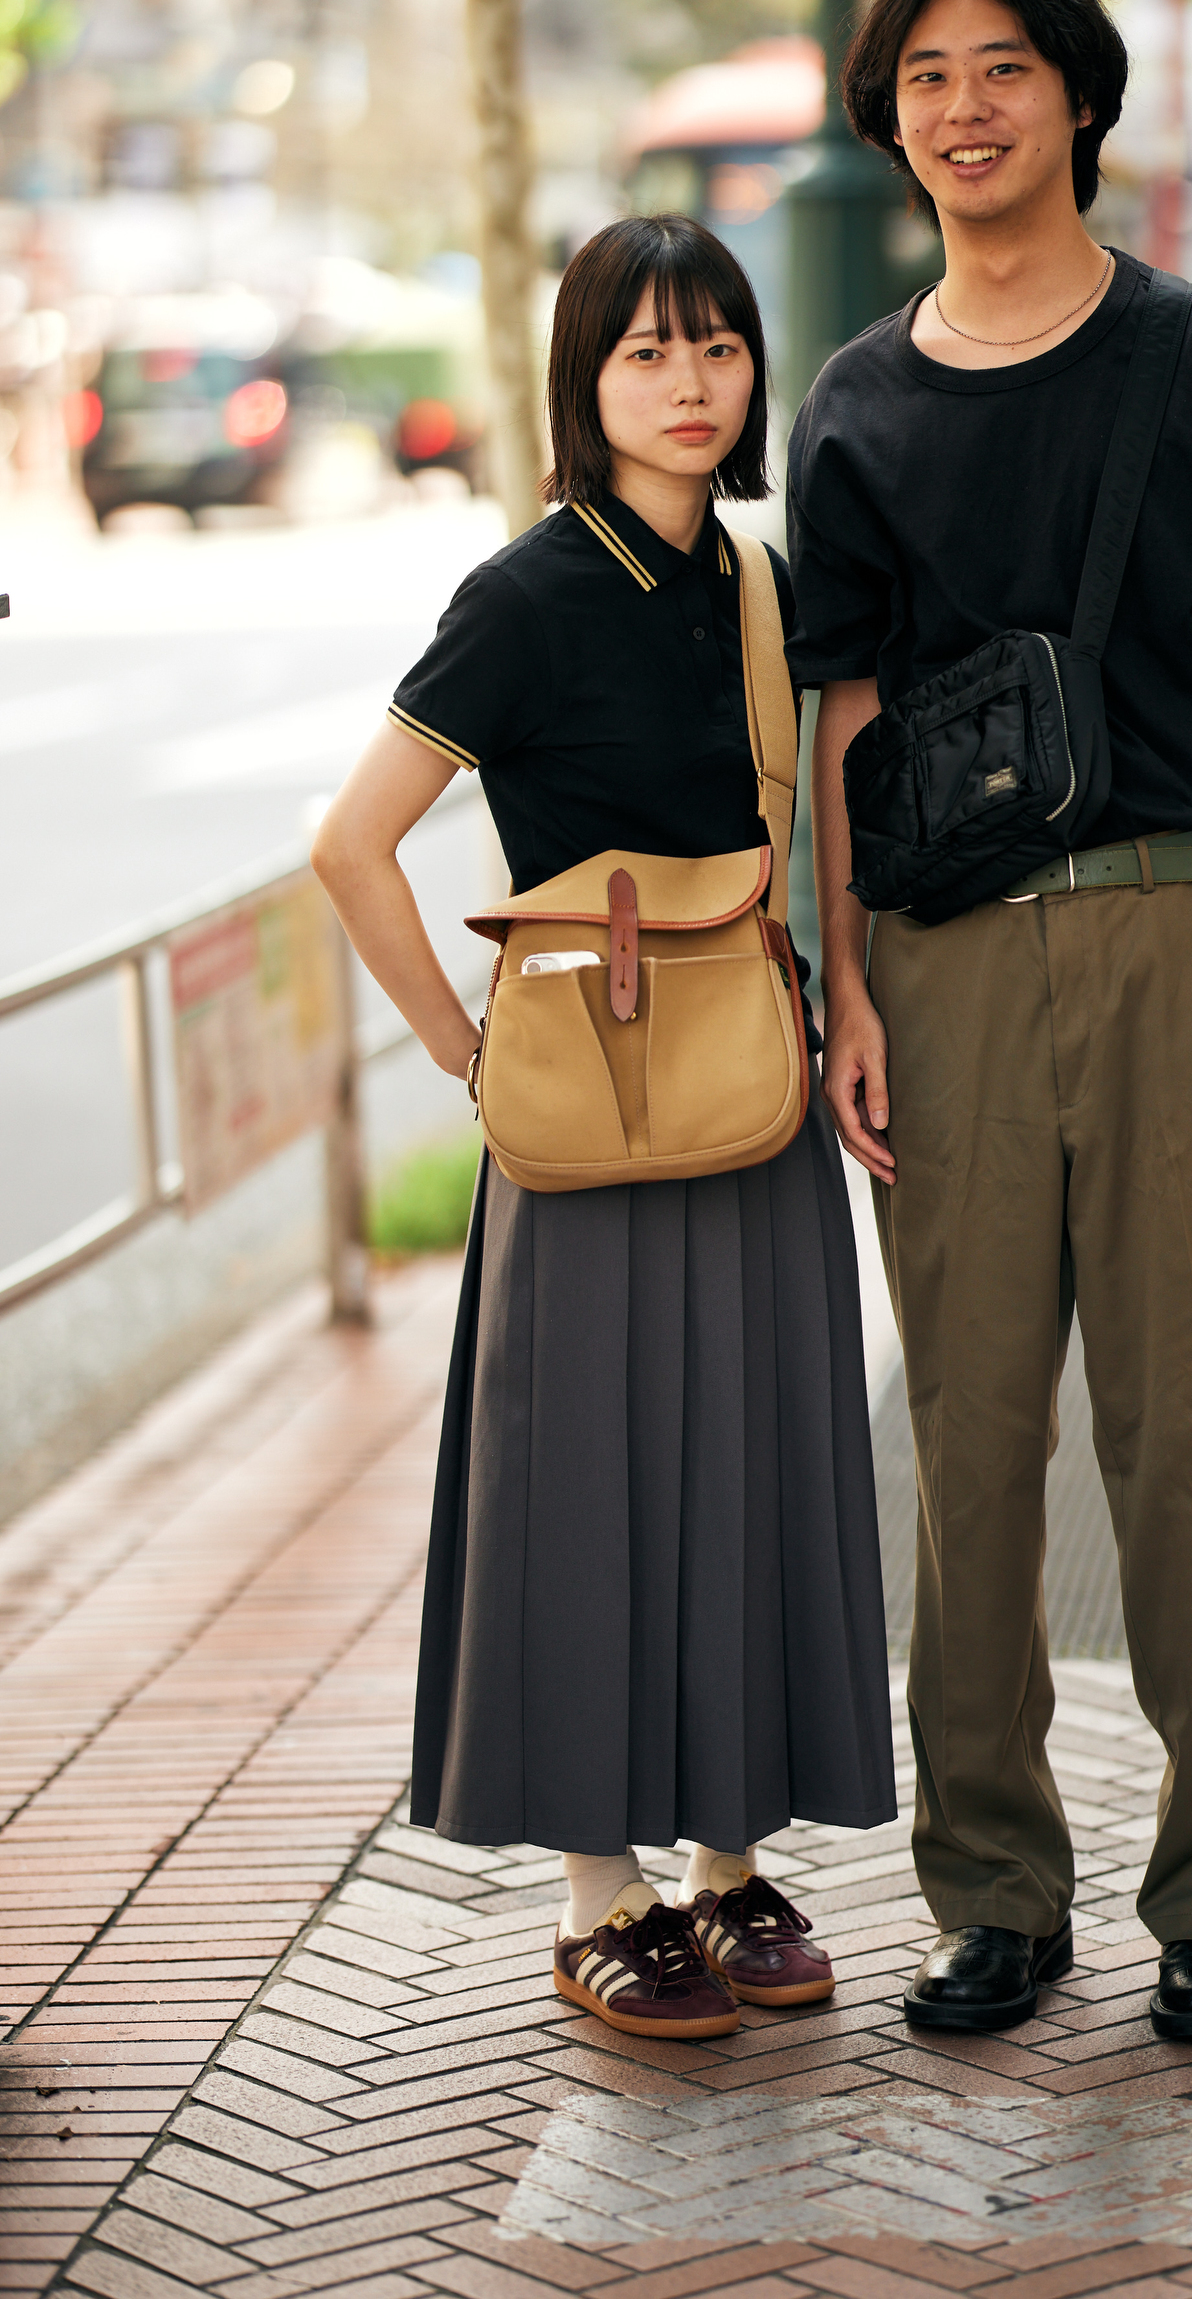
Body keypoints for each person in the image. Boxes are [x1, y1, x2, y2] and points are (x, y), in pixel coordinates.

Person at [787, 0, 1192, 2042]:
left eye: (1000, 65)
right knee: (965, 1436)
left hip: (1178, 919)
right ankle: (991, 1890)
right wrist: (843, 981)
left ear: (1078, 98)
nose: (960, 106)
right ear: (889, 116)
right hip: (933, 969)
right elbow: (840, 719)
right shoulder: (848, 403)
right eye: (923, 73)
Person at [312, 214, 895, 2042]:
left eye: (717, 344)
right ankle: (600, 1897)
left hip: (751, 1090)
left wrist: (849, 1007)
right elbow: (352, 843)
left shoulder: (757, 583)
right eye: (646, 350)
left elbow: (819, 839)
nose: (691, 381)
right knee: (582, 1486)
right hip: (579, 1117)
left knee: (746, 1459)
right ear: (584, 381)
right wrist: (461, 1059)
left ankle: (728, 1868)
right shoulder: (524, 593)